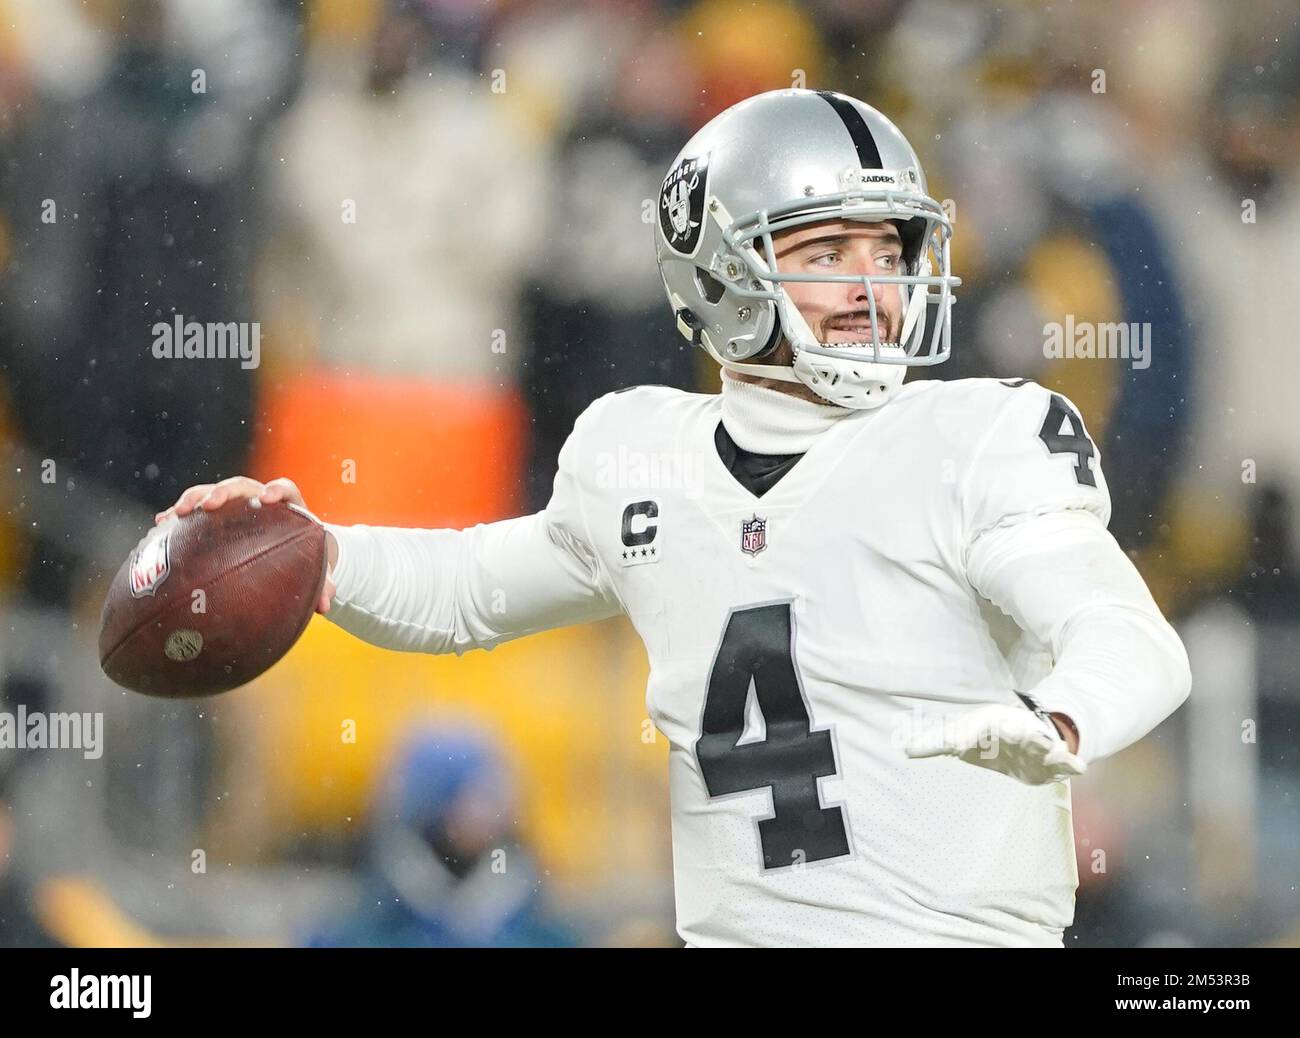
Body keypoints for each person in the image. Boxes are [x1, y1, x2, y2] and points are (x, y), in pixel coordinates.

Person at [158, 89, 1191, 948]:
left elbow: (1127, 637)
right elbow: (468, 589)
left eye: (891, 250)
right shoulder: (639, 454)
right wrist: (312, 551)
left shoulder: (977, 437)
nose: (872, 287)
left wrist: (1062, 716)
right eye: (829, 249)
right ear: (721, 268)